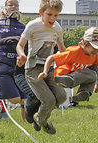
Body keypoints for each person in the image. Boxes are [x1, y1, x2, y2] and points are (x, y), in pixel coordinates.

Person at [16, 0, 67, 135]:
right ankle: (42, 120)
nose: (52, 18)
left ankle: (40, 117)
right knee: (48, 100)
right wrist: (22, 55)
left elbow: (62, 49)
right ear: (41, 13)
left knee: (61, 97)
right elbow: (20, 45)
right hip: (32, 68)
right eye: (49, 14)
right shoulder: (32, 26)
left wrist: (71, 59)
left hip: (48, 68)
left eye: (56, 15)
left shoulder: (57, 28)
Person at [38, 27, 98, 103]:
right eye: (95, 47)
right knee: (92, 74)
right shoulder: (74, 52)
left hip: (78, 76)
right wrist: (45, 72)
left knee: (96, 69)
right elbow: (51, 58)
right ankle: (69, 80)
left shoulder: (95, 56)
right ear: (84, 43)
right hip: (64, 76)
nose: (97, 50)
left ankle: (83, 93)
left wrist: (97, 84)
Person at [0, 36, 41, 130]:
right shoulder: (26, 39)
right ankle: (32, 117)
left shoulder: (46, 43)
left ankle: (35, 118)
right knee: (19, 99)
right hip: (20, 73)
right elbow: (11, 39)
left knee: (33, 98)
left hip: (32, 72)